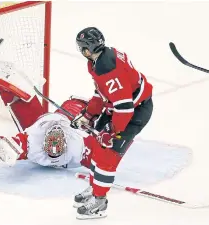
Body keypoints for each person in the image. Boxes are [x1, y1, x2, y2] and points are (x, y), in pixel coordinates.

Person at [71, 27, 153, 219]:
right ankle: (94, 188)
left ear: (88, 49)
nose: (81, 51)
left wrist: (111, 131)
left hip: (134, 112)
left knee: (108, 155)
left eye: (82, 47)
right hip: (117, 108)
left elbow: (125, 108)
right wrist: (89, 115)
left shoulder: (108, 69)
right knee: (95, 146)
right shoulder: (98, 61)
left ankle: (99, 202)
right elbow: (102, 93)